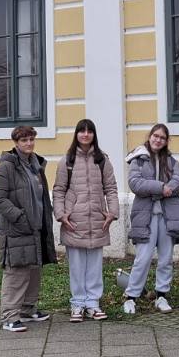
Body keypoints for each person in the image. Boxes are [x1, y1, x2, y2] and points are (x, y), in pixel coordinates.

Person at [0, 125, 56, 332]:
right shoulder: (7, 166)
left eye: (31, 139)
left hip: (37, 226)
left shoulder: (36, 164)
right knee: (16, 272)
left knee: (34, 270)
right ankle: (10, 316)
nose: (29, 143)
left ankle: (28, 309)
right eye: (24, 140)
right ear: (16, 143)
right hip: (17, 228)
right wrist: (19, 217)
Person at [52, 119, 119, 322]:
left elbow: (111, 188)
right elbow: (59, 190)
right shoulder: (67, 161)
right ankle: (77, 304)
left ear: (94, 135)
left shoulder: (102, 160)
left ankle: (93, 304)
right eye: (82, 130)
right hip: (74, 222)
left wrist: (112, 212)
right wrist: (61, 214)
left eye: (90, 131)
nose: (86, 134)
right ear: (76, 134)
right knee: (77, 266)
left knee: (95, 267)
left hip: (97, 221)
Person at [124, 124, 179, 314]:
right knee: (142, 258)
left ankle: (161, 296)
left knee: (166, 258)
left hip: (168, 217)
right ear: (150, 136)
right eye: (155, 136)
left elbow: (177, 183)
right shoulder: (138, 160)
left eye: (162, 138)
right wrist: (160, 188)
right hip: (146, 216)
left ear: (166, 141)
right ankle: (131, 297)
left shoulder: (171, 161)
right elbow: (135, 183)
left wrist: (164, 189)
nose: (158, 140)